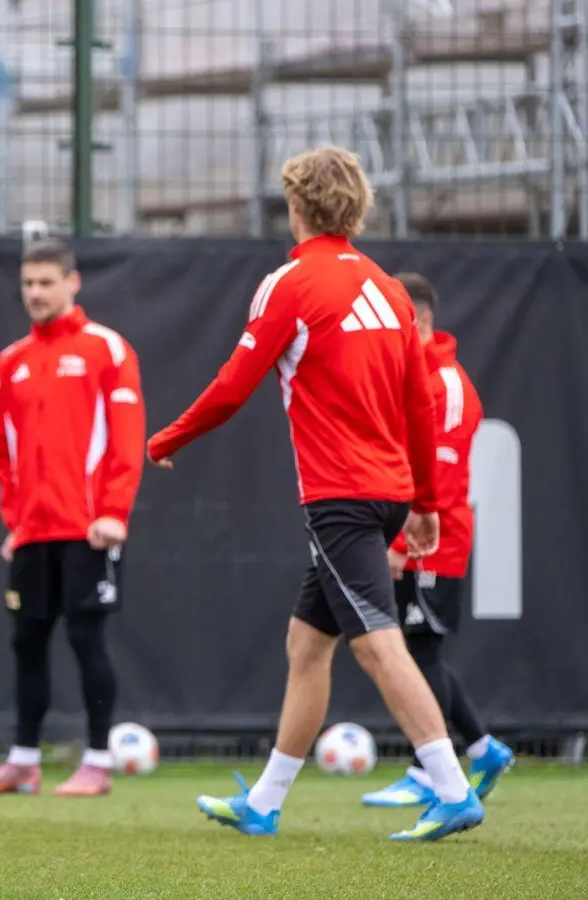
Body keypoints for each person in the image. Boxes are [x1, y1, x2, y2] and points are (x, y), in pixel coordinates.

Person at [146, 146, 486, 841]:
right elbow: (420, 403)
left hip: (343, 498)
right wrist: (423, 501)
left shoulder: (290, 284)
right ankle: (266, 803)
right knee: (307, 644)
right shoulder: (390, 289)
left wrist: (167, 439)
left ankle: (452, 788)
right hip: (387, 492)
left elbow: (232, 388)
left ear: (296, 206)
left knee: (378, 645)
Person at [0, 238, 144, 798]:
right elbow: (2, 450)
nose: (36, 293)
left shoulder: (107, 350)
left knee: (88, 641)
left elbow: (127, 443)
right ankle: (23, 761)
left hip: (89, 529)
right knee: (27, 643)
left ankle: (96, 762)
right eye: (28, 283)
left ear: (72, 282)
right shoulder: (10, 361)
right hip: (32, 532)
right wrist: (16, 522)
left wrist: (113, 513)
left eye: (46, 282)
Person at [360, 272, 515, 808]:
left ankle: (428, 770)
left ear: (421, 321)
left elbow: (441, 479)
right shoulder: (408, 375)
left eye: (394, 317)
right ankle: (481, 747)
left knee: (419, 654)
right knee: (418, 650)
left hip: (434, 545)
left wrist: (402, 546)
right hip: (412, 539)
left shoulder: (445, 383)